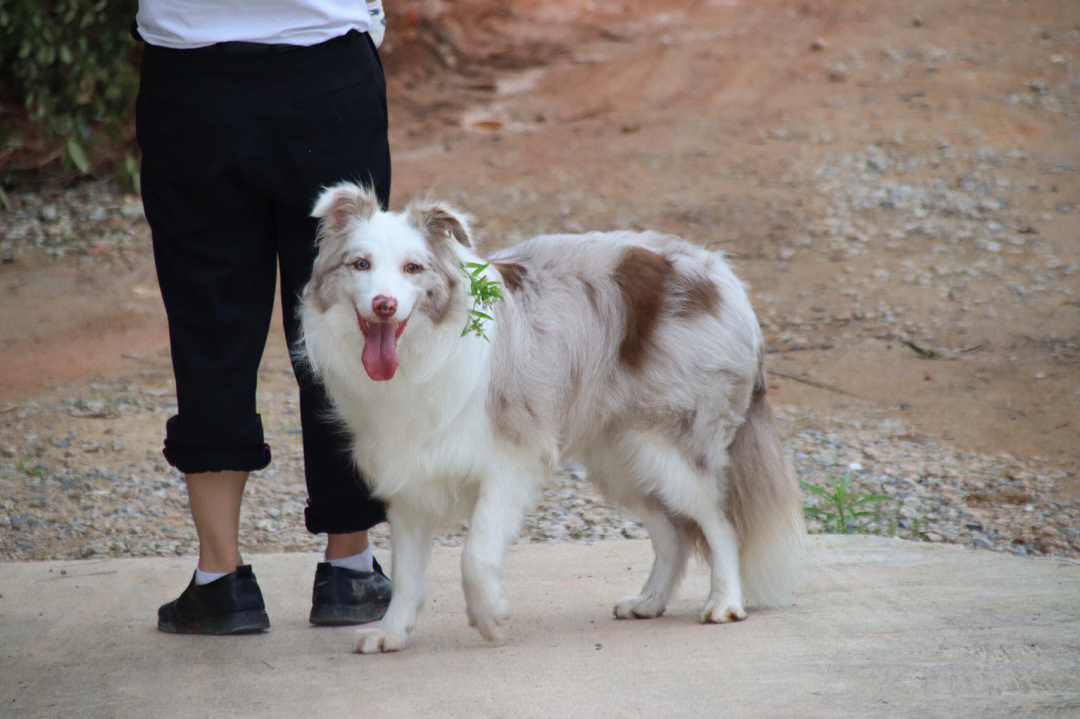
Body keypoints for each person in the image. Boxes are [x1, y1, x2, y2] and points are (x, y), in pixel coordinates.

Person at [133, 1, 392, 634]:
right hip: (326, 63)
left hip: (191, 75)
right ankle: (349, 569)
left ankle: (221, 581)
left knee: (209, 323)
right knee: (341, 318)